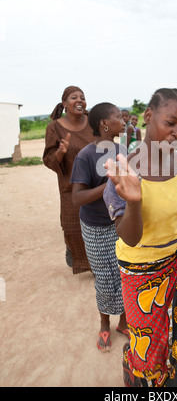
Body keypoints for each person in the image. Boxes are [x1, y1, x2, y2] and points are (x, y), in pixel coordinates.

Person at [104, 88, 177, 387]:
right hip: (141, 272)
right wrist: (134, 201)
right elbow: (130, 238)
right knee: (148, 351)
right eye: (170, 123)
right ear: (149, 116)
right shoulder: (123, 170)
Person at [71, 102, 129, 351]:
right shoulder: (86, 155)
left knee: (127, 275)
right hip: (96, 227)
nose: (123, 120)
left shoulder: (122, 149)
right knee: (105, 279)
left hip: (122, 222)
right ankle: (105, 323)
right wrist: (109, 183)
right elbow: (78, 198)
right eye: (118, 117)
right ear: (105, 124)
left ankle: (124, 322)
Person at [43, 86, 94, 273]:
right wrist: (60, 152)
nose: (80, 100)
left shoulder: (94, 122)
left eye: (83, 96)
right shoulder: (54, 128)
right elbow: (48, 159)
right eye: (74, 97)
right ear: (64, 103)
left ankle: (100, 265)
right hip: (70, 187)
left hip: (96, 185)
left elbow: (106, 143)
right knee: (75, 227)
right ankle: (78, 256)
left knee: (100, 226)